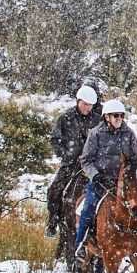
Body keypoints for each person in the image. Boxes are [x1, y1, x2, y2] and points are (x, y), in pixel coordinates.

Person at [77, 98, 137, 256]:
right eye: (115, 116)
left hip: (124, 183)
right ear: (106, 117)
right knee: (88, 209)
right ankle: (81, 245)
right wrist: (94, 175)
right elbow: (85, 160)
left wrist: (135, 170)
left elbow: (136, 157)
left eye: (121, 116)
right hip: (101, 182)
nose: (119, 119)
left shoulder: (129, 133)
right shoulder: (95, 134)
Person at [47, 85, 102, 248]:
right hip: (70, 165)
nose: (87, 108)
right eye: (84, 104)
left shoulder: (97, 120)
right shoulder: (65, 118)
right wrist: (67, 155)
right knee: (54, 191)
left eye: (90, 105)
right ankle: (53, 221)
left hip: (92, 164)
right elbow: (55, 140)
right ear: (78, 101)